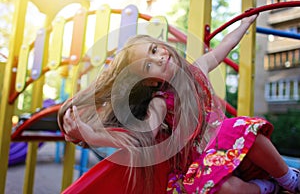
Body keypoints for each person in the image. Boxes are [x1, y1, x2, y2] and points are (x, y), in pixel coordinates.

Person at [57, 14, 300, 194]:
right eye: (149, 65)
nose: (159, 58)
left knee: (245, 130)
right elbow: (142, 137)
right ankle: (266, 189)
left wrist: (244, 25)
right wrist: (91, 135)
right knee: (226, 189)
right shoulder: (160, 103)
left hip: (234, 147)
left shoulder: (198, 71)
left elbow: (223, 48)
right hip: (204, 163)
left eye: (154, 49)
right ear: (151, 82)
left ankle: (289, 178)